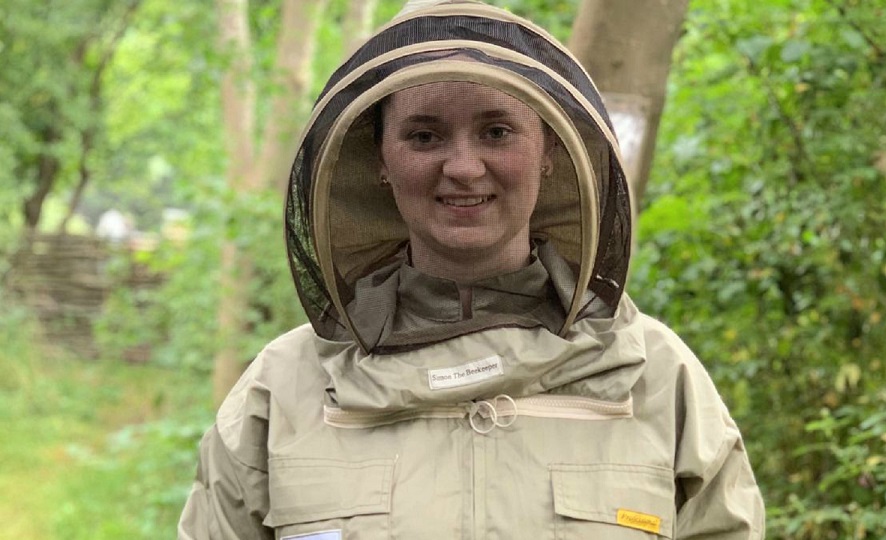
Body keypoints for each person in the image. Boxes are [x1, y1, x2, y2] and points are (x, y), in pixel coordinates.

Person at [179, 1, 765, 538]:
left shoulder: (657, 380)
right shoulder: (282, 390)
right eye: (425, 134)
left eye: (497, 131)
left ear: (550, 154)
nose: (462, 166)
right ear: (381, 159)